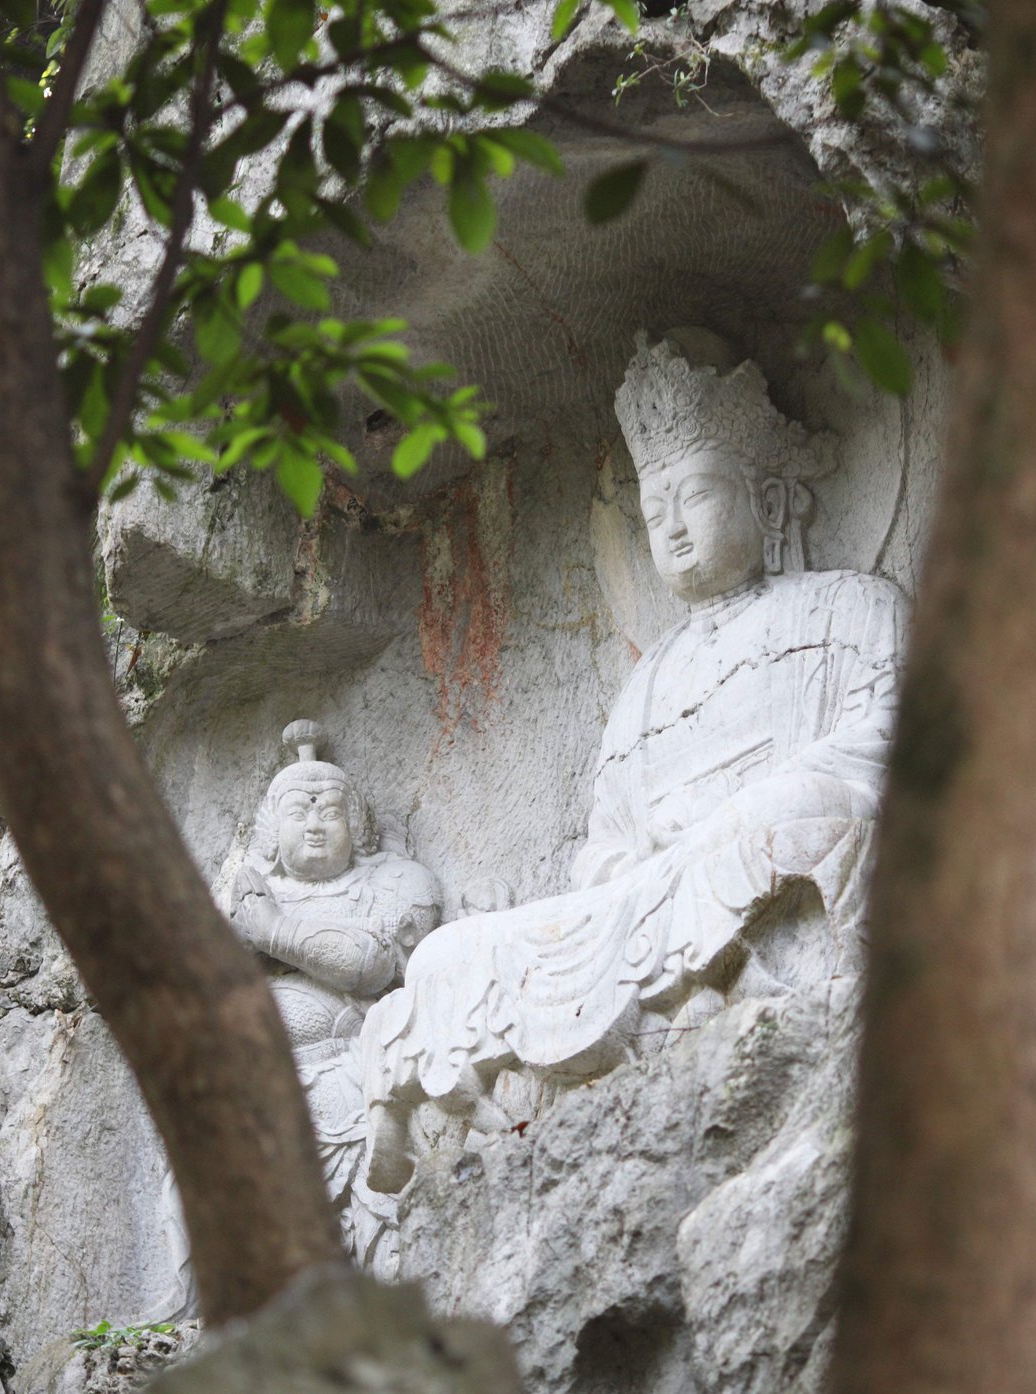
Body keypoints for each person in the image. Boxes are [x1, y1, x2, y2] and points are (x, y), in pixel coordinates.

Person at [362, 331, 907, 1193]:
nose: (676, 529)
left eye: (697, 496)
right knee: (444, 956)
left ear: (767, 500)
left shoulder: (851, 607)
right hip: (648, 906)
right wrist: (635, 868)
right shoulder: (647, 688)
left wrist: (736, 819)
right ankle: (465, 1090)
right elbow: (607, 852)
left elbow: (893, 744)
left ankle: (722, 988)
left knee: (783, 815)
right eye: (656, 511)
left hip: (766, 856)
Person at [213, 720, 441, 1272]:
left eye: (330, 813)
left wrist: (273, 934)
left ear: (355, 825)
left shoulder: (396, 883)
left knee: (385, 1234)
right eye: (299, 813)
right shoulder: (248, 895)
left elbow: (372, 963)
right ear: (273, 828)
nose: (314, 827)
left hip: (364, 1079)